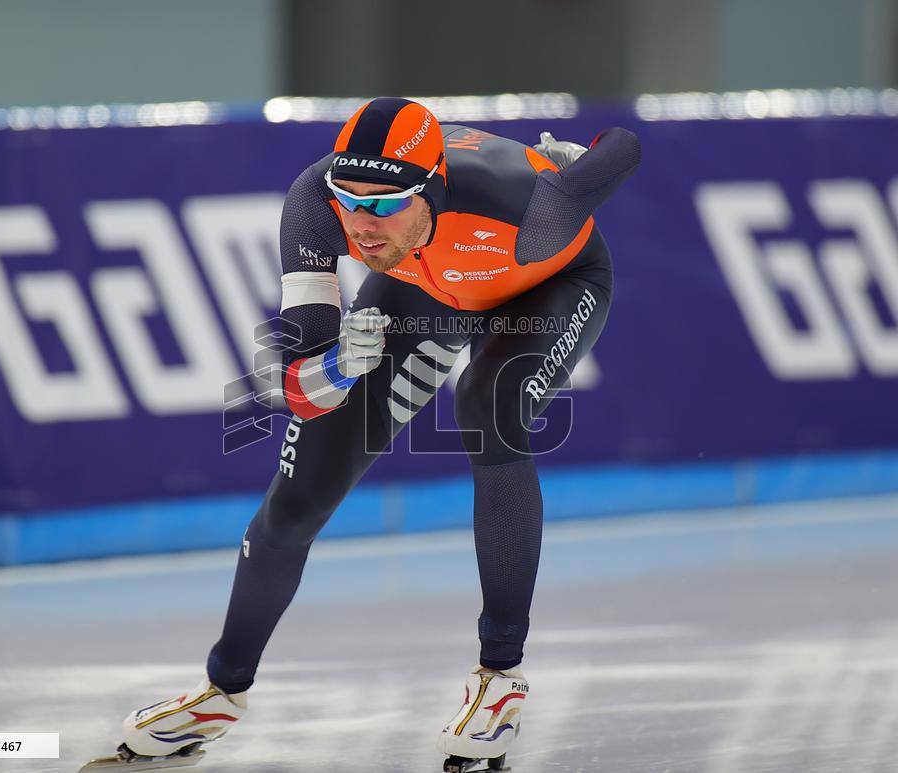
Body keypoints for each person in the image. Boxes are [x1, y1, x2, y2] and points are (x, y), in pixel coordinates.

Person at [106, 97, 640, 771]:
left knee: (488, 401)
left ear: (434, 193)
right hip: (423, 292)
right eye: (348, 198)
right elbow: (290, 384)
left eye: (385, 204)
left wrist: (574, 162)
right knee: (296, 500)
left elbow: (624, 146)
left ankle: (499, 677)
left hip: (546, 286)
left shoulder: (532, 210)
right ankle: (223, 688)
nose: (361, 224)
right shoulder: (312, 205)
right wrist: (335, 364)